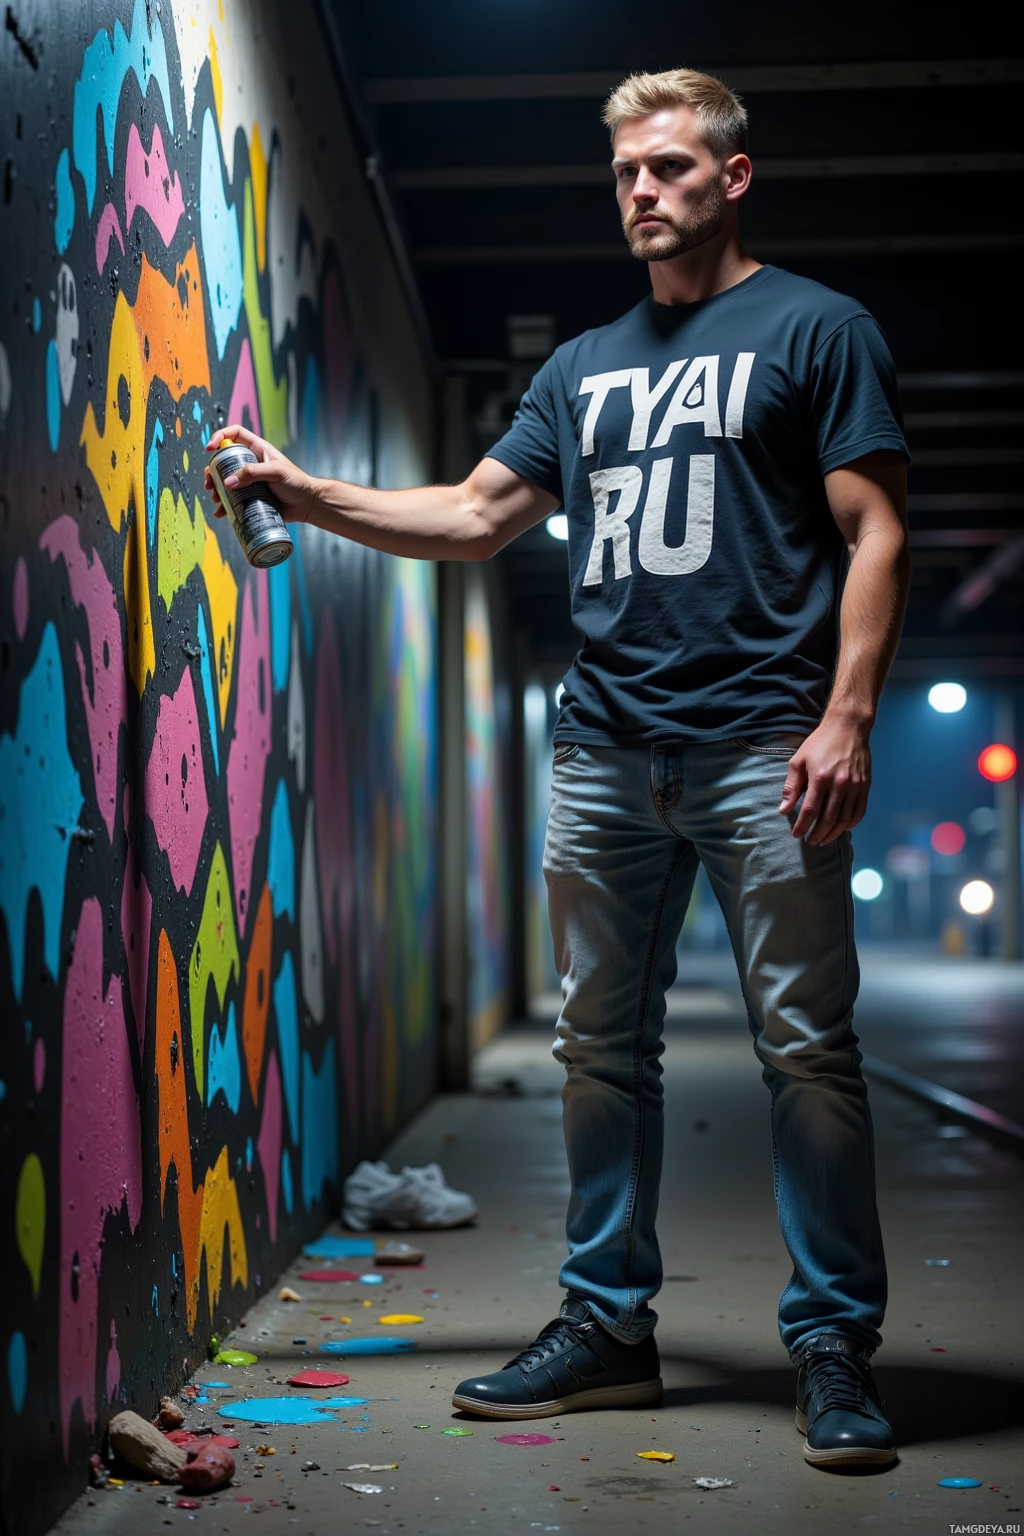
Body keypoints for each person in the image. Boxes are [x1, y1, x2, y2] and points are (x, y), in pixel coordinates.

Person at [205, 67, 910, 1471]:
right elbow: (475, 516)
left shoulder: (819, 328)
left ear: (733, 175)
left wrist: (847, 719)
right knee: (602, 1051)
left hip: (764, 746)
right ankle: (608, 1326)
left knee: (807, 1053)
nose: (642, 193)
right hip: (601, 752)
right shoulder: (583, 368)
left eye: (668, 168)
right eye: (624, 176)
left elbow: (873, 526)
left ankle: (832, 1343)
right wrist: (304, 490)